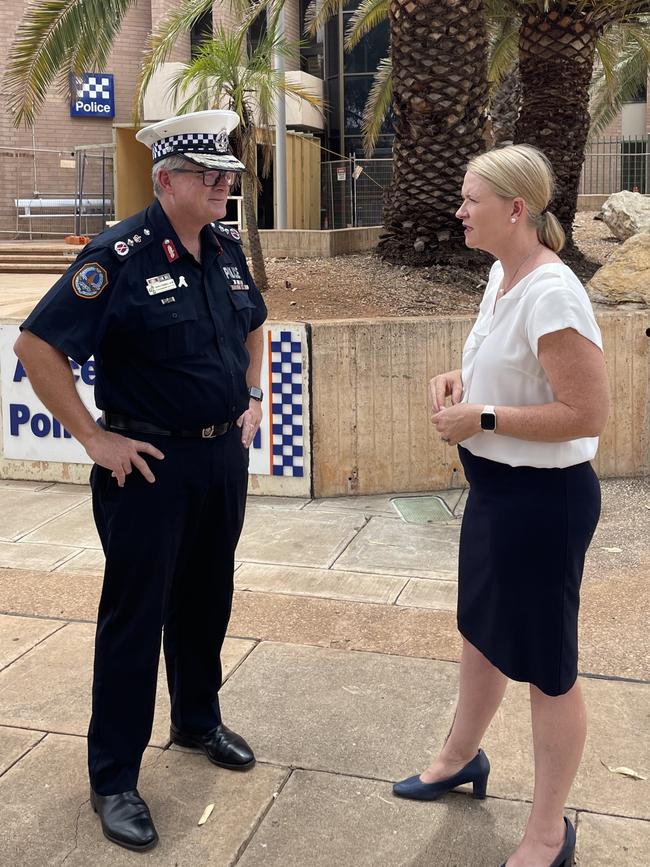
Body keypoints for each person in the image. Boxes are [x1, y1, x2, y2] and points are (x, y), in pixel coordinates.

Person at [14, 109, 267, 853]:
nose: (225, 185)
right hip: (149, 465)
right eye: (210, 175)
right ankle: (115, 777)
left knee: (206, 596)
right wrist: (94, 437)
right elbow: (37, 345)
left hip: (221, 456)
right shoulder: (119, 254)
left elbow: (255, 321)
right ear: (167, 179)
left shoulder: (222, 249)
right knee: (136, 617)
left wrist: (253, 396)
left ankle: (196, 719)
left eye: (228, 175)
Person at [392, 144, 609, 867]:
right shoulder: (500, 276)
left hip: (544, 503)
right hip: (497, 494)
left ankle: (550, 832)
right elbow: (511, 372)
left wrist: (481, 418)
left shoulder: (552, 292)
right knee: (481, 631)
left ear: (515, 209)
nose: (458, 210)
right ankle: (460, 759)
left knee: (549, 668)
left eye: (470, 199)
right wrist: (459, 379)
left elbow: (586, 412)